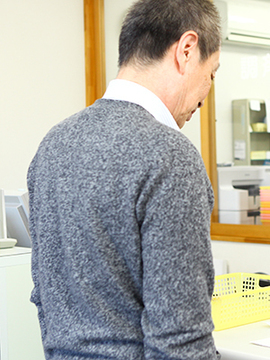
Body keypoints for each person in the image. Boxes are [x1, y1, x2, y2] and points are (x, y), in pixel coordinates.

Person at [27, 0, 221, 358]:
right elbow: (180, 339)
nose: (206, 94)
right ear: (187, 50)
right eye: (211, 73)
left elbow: (46, 299)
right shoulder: (170, 156)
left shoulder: (53, 145)